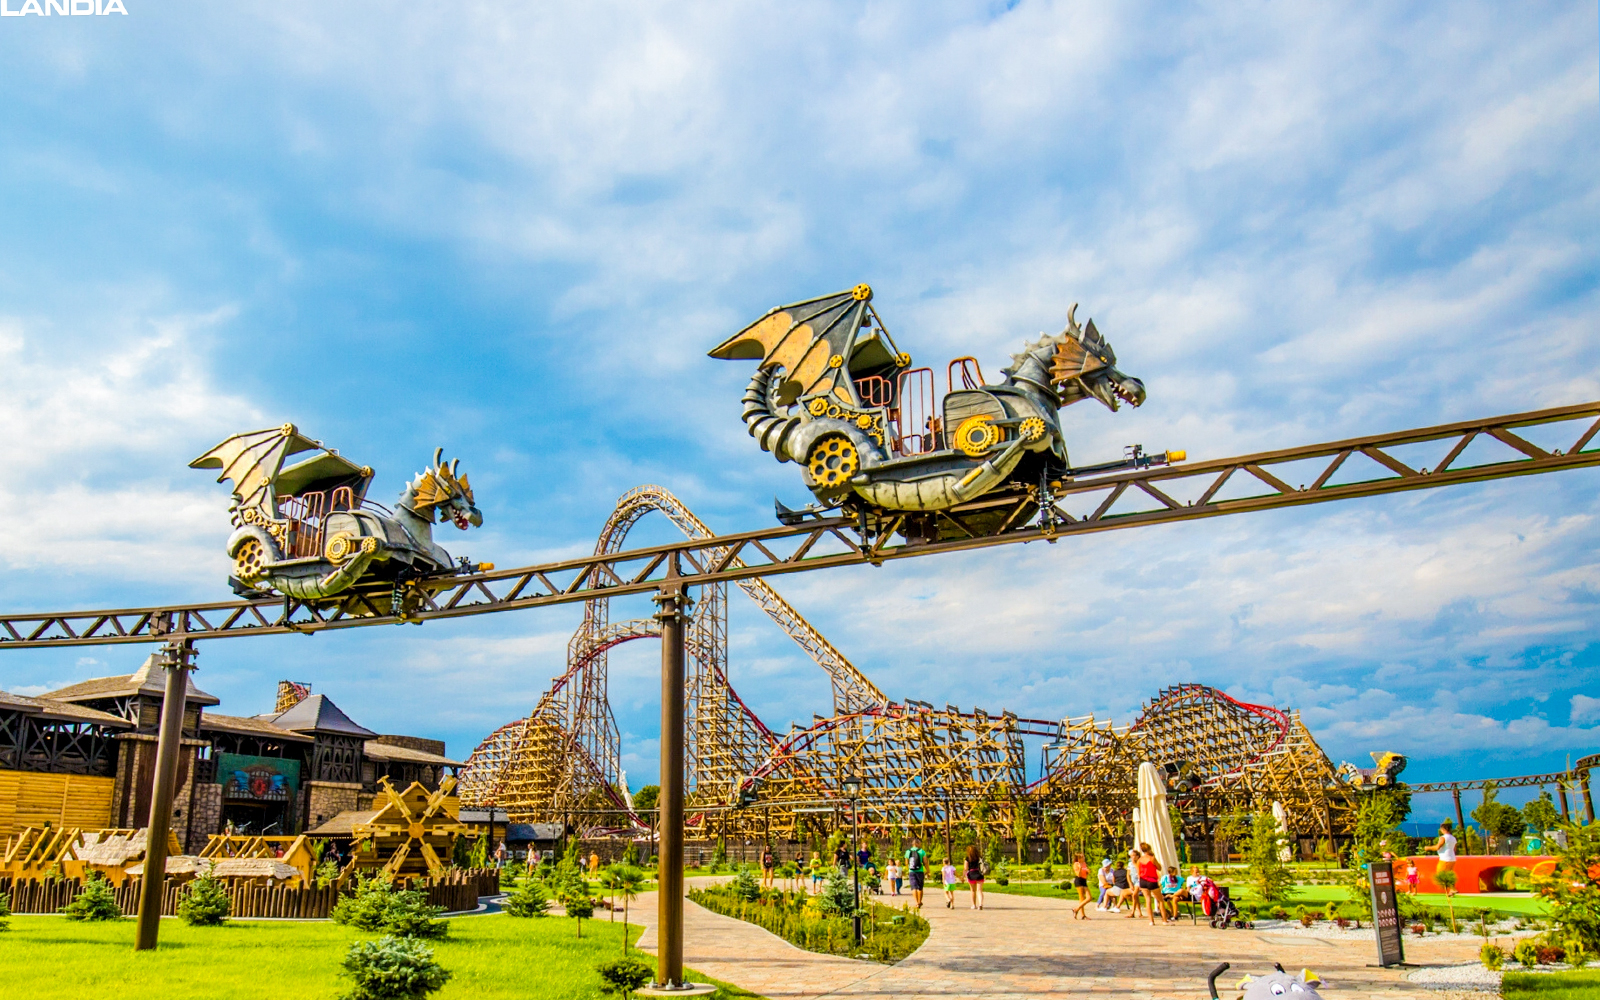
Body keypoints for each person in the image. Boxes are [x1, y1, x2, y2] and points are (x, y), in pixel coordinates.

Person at [1424, 820, 1458, 897]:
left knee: (1441, 874)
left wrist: (1428, 848)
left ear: (1443, 829)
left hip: (1444, 859)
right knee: (1448, 874)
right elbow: (1454, 849)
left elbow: (1437, 847)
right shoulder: (1453, 838)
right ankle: (1451, 891)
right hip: (1452, 858)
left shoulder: (1443, 838)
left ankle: (1452, 888)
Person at [1134, 843, 1163, 925]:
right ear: (1149, 849)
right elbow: (1159, 868)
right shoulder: (1152, 858)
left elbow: (1138, 872)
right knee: (1160, 900)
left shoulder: (1139, 860)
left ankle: (1151, 921)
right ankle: (1164, 920)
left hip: (1143, 880)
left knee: (1148, 900)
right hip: (1152, 880)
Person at [904, 839, 927, 909]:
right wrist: (928, 870)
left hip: (912, 871)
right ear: (917, 844)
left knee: (913, 887)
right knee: (920, 887)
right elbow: (925, 862)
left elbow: (906, 863)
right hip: (920, 871)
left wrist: (908, 869)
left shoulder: (908, 852)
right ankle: (920, 901)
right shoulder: (922, 851)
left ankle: (916, 902)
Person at [1071, 853, 1093, 919]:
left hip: (1084, 881)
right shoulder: (1076, 864)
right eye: (1083, 857)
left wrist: (1088, 872)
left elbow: (1085, 873)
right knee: (1082, 898)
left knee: (1089, 897)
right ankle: (1083, 915)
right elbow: (1078, 874)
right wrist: (1080, 868)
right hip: (1079, 881)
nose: (1084, 858)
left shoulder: (1084, 863)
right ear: (1079, 858)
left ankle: (1076, 909)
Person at [964, 843, 985, 910]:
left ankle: (973, 905)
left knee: (973, 891)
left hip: (971, 874)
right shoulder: (979, 858)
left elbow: (965, 868)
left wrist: (963, 876)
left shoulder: (967, 858)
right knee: (979, 890)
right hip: (979, 874)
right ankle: (980, 904)